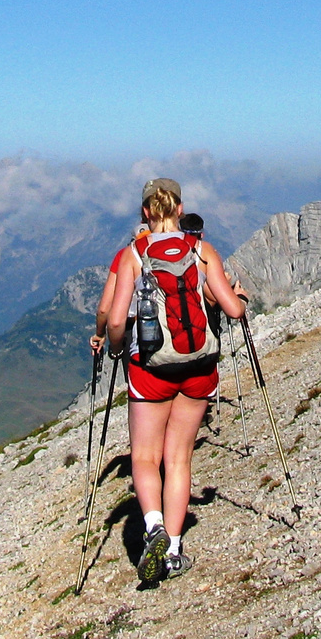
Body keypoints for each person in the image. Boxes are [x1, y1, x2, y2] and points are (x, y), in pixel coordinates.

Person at [90, 178, 244, 582]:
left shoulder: (134, 254)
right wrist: (241, 299)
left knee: (144, 457)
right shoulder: (202, 249)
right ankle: (174, 551)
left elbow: (118, 319)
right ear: (180, 209)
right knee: (179, 458)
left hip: (152, 370)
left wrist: (117, 349)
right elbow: (232, 309)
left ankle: (153, 526)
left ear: (145, 213)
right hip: (199, 368)